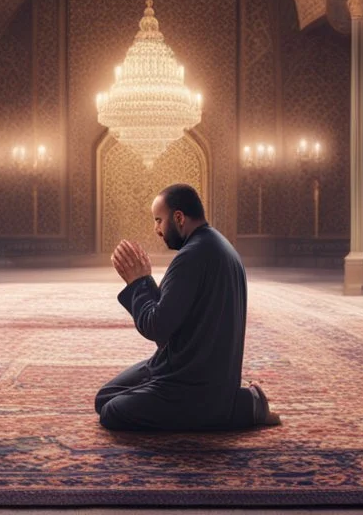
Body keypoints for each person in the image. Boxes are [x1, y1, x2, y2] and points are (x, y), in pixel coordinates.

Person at [96, 183, 282, 431]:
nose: (156, 230)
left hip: (192, 384)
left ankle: (242, 406)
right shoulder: (214, 245)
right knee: (105, 398)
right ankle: (228, 401)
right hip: (182, 366)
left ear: (179, 218)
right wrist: (144, 282)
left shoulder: (191, 257)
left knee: (112, 412)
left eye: (158, 221)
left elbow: (157, 329)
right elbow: (171, 318)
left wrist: (138, 283)